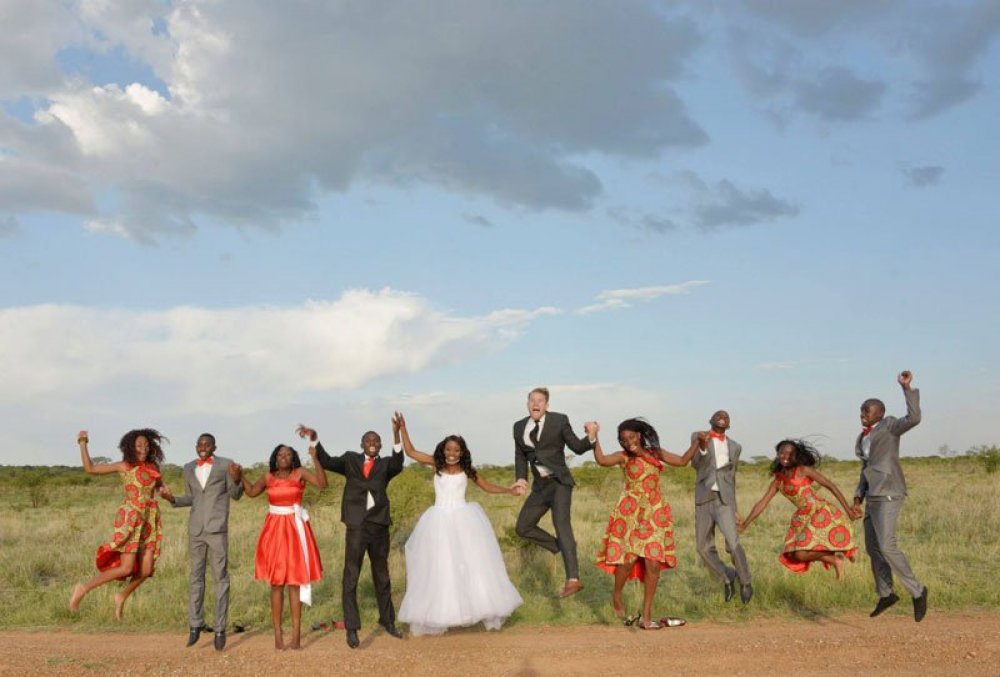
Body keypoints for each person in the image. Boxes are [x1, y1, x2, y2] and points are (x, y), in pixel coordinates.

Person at [393, 412, 523, 635]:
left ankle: (475, 610)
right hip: (439, 520)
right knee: (440, 566)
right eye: (448, 450)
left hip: (465, 520)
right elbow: (411, 452)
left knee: (471, 565)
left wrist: (509, 491)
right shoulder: (436, 465)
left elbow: (487, 486)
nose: (451, 454)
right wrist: (401, 429)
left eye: (456, 450)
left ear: (462, 452)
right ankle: (440, 614)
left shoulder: (468, 470)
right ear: (442, 450)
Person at [301, 423, 405, 649]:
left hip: (378, 526)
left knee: (382, 576)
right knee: (351, 576)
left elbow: (399, 463)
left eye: (376, 441)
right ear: (361, 445)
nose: (373, 444)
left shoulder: (387, 464)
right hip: (356, 526)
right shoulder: (350, 460)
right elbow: (327, 461)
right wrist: (314, 438)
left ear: (381, 445)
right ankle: (351, 628)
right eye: (368, 441)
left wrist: (396, 433)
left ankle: (388, 622)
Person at [592, 418, 702, 629]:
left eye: (631, 437)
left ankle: (646, 616)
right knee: (628, 560)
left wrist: (697, 441)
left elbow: (681, 461)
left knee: (653, 564)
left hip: (654, 512)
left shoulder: (655, 453)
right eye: (624, 439)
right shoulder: (623, 457)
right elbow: (602, 460)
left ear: (639, 436)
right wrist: (594, 437)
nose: (628, 442)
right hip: (630, 512)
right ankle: (616, 597)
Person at [69, 429, 167, 620]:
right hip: (131, 518)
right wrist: (83, 442)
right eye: (139, 445)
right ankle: (83, 588)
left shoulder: (154, 466)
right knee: (126, 568)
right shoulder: (124, 465)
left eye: (146, 445)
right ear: (131, 446)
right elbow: (90, 468)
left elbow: (159, 487)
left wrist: (165, 492)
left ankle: (121, 595)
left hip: (150, 519)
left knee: (146, 570)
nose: (144, 449)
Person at [853, 370, 928, 622]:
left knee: (887, 546)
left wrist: (907, 388)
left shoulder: (890, 426)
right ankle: (886, 594)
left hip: (889, 494)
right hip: (872, 496)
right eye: (861, 410)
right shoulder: (861, 438)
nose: (862, 413)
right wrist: (857, 496)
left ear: (879, 413)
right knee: (873, 548)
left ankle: (918, 591)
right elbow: (865, 468)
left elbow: (914, 417)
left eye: (866, 410)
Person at [159, 433, 244, 650]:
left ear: (214, 446)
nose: (203, 447)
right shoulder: (188, 468)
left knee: (220, 579)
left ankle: (219, 629)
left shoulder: (226, 465)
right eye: (200, 444)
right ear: (196, 447)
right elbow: (192, 498)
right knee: (196, 578)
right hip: (195, 530)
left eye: (207, 444)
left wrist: (237, 478)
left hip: (217, 530)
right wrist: (172, 499)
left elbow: (235, 494)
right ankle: (195, 625)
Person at [512, 387, 596, 598]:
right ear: (527, 404)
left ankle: (573, 579)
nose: (535, 403)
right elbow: (520, 456)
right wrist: (521, 479)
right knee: (523, 527)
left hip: (559, 483)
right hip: (540, 487)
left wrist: (592, 436)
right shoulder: (519, 426)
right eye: (532, 400)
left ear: (547, 405)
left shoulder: (559, 420)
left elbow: (577, 447)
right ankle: (564, 547)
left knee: (561, 525)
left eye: (540, 400)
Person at [242, 443, 327, 650]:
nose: (283, 456)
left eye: (288, 454)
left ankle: (296, 636)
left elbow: (322, 484)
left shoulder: (300, 473)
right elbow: (252, 492)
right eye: (280, 454)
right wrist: (239, 477)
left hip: (296, 529)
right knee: (276, 583)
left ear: (293, 458)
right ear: (274, 457)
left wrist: (316, 458)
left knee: (295, 582)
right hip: (274, 531)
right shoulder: (268, 477)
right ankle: (278, 635)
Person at [738, 439, 860, 579]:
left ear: (796, 456)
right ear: (777, 454)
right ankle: (835, 559)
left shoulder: (803, 470)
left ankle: (837, 558)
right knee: (796, 553)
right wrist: (745, 524)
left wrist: (849, 511)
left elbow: (831, 486)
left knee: (801, 552)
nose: (786, 456)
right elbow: (762, 503)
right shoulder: (778, 480)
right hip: (802, 516)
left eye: (791, 454)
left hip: (819, 512)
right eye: (782, 453)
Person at [689, 410, 753, 604]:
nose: (722, 414)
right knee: (702, 547)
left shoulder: (735, 447)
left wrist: (734, 508)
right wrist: (701, 446)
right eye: (718, 414)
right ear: (711, 421)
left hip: (725, 501)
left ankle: (746, 581)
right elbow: (696, 464)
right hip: (704, 498)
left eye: (726, 415)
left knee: (733, 543)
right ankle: (727, 577)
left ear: (729, 424)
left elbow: (731, 478)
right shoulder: (699, 436)